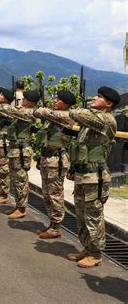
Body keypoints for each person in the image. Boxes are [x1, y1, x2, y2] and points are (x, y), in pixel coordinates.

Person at [66, 86, 119, 268]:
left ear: (109, 103)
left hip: (95, 177)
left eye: (99, 97)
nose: (94, 98)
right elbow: (82, 147)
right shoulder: (92, 123)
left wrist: (88, 106)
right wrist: (74, 167)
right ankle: (87, 248)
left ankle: (96, 254)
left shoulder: (105, 119)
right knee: (80, 214)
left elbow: (75, 113)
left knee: (93, 216)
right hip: (84, 173)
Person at [0, 90, 40, 219]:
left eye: (26, 99)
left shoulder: (29, 112)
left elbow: (10, 110)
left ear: (31, 102)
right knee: (16, 179)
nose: (23, 100)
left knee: (21, 179)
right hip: (15, 150)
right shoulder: (23, 111)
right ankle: (18, 205)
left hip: (21, 152)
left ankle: (21, 208)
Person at [32, 90, 76, 239]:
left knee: (55, 194)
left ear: (65, 103)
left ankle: (56, 227)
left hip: (56, 161)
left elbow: (39, 111)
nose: (55, 101)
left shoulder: (65, 116)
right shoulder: (53, 118)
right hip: (47, 159)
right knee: (46, 193)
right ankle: (52, 224)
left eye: (58, 99)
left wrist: (42, 109)